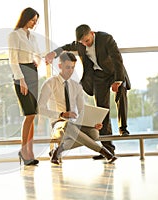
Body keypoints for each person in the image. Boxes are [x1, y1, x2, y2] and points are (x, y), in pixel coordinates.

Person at [45, 24, 131, 160]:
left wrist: (118, 80)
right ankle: (108, 149)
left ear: (92, 33)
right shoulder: (80, 44)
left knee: (121, 94)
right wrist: (54, 53)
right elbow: (67, 46)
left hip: (114, 72)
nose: (85, 44)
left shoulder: (106, 39)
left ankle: (123, 128)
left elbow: (117, 58)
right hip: (99, 76)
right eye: (82, 42)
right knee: (102, 110)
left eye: (87, 41)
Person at [38, 51, 117, 165]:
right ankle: (105, 152)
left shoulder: (76, 86)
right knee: (68, 125)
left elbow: (82, 110)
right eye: (67, 67)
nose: (70, 71)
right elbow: (40, 108)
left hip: (75, 124)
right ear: (60, 66)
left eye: (72, 68)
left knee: (94, 133)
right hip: (59, 125)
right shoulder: (49, 83)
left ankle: (57, 150)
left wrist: (93, 123)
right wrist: (61, 115)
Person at [8, 7, 41, 165]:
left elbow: (38, 53)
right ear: (25, 18)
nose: (34, 23)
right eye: (32, 20)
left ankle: (30, 152)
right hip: (21, 74)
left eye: (36, 21)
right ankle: (23, 150)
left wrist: (36, 61)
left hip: (32, 72)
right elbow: (13, 60)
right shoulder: (14, 35)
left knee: (33, 114)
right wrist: (21, 79)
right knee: (28, 113)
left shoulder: (32, 36)